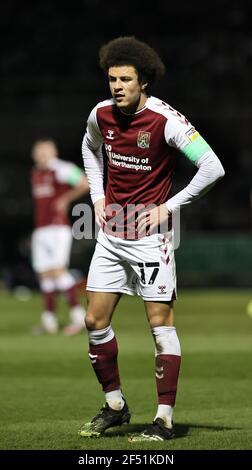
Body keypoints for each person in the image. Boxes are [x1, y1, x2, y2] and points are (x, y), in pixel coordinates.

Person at [80, 37, 225, 441]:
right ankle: (115, 406)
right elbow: (89, 149)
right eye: (112, 79)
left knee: (159, 325)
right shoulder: (101, 114)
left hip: (150, 239)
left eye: (125, 79)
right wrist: (97, 194)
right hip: (111, 236)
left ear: (144, 81)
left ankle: (163, 419)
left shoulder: (167, 120)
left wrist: (169, 208)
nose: (116, 86)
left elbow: (212, 168)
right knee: (94, 320)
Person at [31, 139, 89, 335]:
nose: (41, 154)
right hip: (41, 228)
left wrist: (65, 199)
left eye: (45, 151)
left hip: (58, 227)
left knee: (57, 271)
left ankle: (78, 317)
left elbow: (84, 183)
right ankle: (49, 321)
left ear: (53, 152)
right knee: (44, 273)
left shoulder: (61, 168)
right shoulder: (36, 173)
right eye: (39, 151)